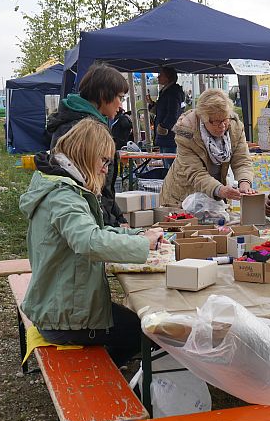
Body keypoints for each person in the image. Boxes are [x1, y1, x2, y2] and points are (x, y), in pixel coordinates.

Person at [20, 119, 165, 366]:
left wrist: (138, 237)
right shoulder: (64, 197)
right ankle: (102, 376)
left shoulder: (60, 186)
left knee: (136, 324)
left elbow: (96, 231)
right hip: (64, 319)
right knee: (148, 333)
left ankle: (109, 369)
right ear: (87, 156)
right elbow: (90, 241)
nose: (106, 169)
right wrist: (143, 245)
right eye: (104, 161)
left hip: (60, 306)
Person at [46, 63, 130, 228]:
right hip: (88, 223)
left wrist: (118, 218)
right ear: (103, 94)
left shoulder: (89, 122)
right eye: (119, 97)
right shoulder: (81, 129)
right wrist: (111, 224)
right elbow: (89, 188)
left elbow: (103, 186)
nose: (120, 105)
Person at [159, 89, 255, 207]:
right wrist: (220, 190)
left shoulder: (235, 126)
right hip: (182, 196)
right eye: (215, 122)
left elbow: (242, 160)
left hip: (214, 192)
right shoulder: (185, 132)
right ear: (202, 119)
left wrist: (244, 183)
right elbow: (195, 173)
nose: (222, 126)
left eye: (225, 119)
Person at [146, 67, 185, 169]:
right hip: (165, 135)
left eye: (161, 75)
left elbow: (173, 113)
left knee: (171, 166)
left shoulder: (173, 92)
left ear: (168, 78)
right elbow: (163, 110)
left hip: (169, 135)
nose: (158, 77)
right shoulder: (166, 91)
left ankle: (173, 184)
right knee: (167, 163)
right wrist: (152, 104)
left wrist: (163, 126)